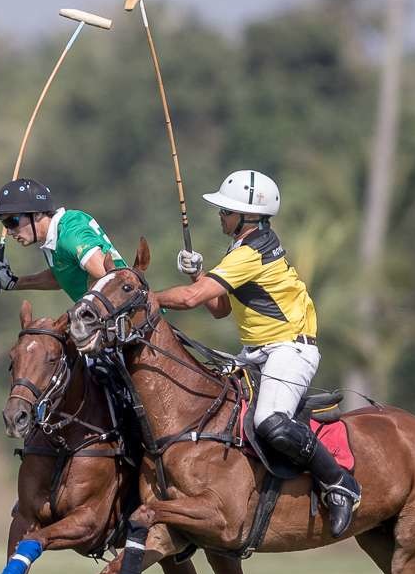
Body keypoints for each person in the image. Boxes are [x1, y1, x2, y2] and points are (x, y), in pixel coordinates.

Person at [152, 169, 360, 538]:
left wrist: (143, 299)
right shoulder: (243, 247)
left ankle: (339, 483)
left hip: (289, 350)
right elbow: (219, 308)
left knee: (270, 421)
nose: (220, 215)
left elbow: (190, 301)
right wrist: (198, 274)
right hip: (256, 353)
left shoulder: (252, 251)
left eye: (226, 210)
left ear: (249, 216)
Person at [0, 178, 126, 300]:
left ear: (38, 213)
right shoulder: (54, 239)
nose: (9, 231)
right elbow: (62, 277)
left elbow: (109, 278)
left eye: (12, 222)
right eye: (5, 224)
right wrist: (14, 282)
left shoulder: (70, 234)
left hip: (127, 319)